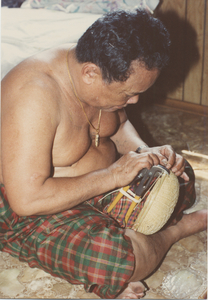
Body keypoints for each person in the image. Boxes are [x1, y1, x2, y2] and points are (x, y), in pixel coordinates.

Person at [0, 9, 207, 299]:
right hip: (39, 205)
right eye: (126, 94)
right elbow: (27, 199)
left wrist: (145, 152)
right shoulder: (33, 95)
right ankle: (174, 231)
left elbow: (118, 125)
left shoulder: (99, 71)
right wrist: (113, 175)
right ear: (90, 74)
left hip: (101, 184)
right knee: (116, 259)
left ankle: (122, 233)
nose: (133, 101)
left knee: (180, 174)